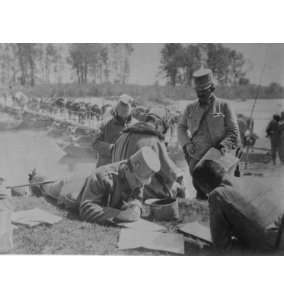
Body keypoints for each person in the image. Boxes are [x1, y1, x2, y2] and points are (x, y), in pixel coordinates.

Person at [30, 147, 161, 225]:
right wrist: (119, 214)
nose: (139, 185)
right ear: (128, 169)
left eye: (141, 182)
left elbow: (137, 195)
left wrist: (136, 206)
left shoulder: (136, 175)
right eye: (138, 181)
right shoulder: (103, 176)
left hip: (87, 183)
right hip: (73, 189)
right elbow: (86, 209)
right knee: (49, 188)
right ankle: (35, 177)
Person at [193, 159, 284, 254]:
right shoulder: (246, 178)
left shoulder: (217, 194)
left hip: (274, 249)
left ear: (205, 186)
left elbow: (222, 246)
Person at [177, 68, 240, 199]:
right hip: (197, 162)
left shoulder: (224, 106)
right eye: (198, 91)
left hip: (219, 161)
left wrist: (224, 145)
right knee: (201, 196)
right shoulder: (190, 108)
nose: (200, 94)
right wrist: (187, 144)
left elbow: (233, 131)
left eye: (204, 91)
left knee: (223, 195)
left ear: (212, 88)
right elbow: (181, 127)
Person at [112, 107, 185, 200]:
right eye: (163, 129)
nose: (162, 133)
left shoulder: (121, 137)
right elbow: (170, 172)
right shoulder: (152, 139)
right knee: (178, 185)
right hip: (141, 193)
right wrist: (179, 178)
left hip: (118, 192)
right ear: (158, 123)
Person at [92, 94, 134, 167]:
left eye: (126, 107)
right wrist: (113, 149)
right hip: (105, 167)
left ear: (130, 110)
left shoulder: (135, 126)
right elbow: (95, 143)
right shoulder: (105, 124)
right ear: (117, 109)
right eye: (121, 106)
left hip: (124, 169)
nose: (123, 108)